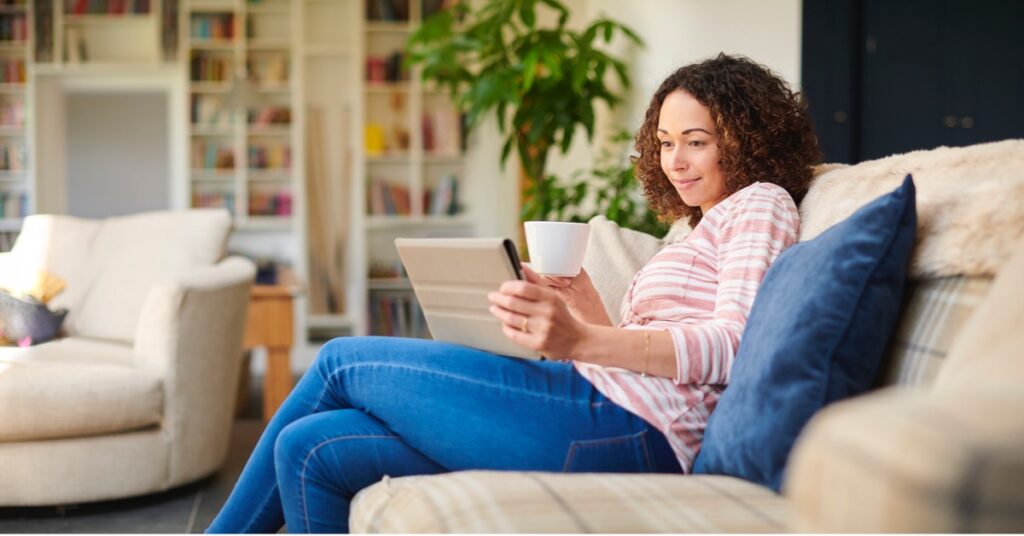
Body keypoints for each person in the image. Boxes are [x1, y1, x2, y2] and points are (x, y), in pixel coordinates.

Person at [208, 53, 821, 534]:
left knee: (339, 359)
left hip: (634, 429)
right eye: (664, 142)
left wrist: (582, 338)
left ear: (745, 139)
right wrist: (579, 301)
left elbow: (737, 347)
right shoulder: (693, 228)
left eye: (696, 140)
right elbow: (640, 345)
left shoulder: (757, 203)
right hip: (609, 409)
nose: (675, 162)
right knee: (310, 448)